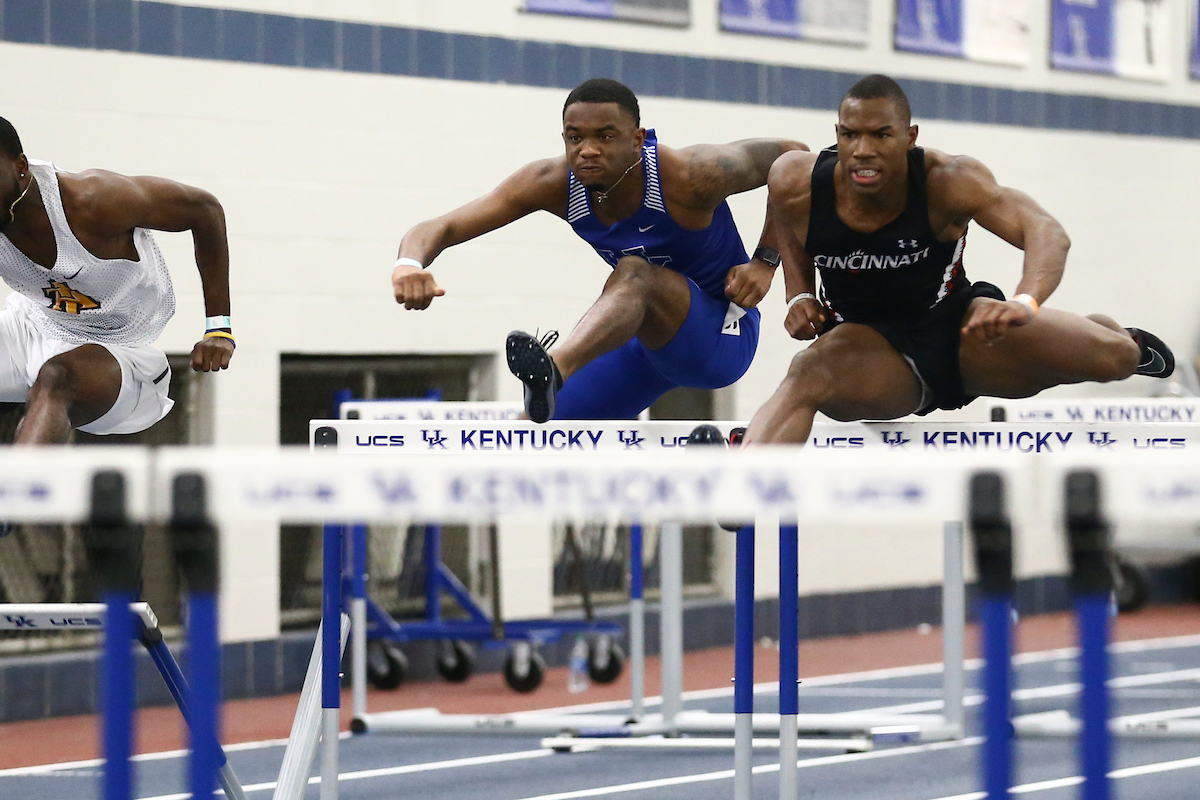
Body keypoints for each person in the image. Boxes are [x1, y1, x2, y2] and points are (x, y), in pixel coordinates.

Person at [743, 74, 1173, 444]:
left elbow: (1046, 232)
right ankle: (740, 485)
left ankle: (1117, 338)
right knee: (807, 374)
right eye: (850, 135)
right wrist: (799, 295)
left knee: (1112, 359)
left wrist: (1025, 302)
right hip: (867, 348)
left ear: (909, 137)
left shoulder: (948, 181)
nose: (863, 151)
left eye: (881, 135)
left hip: (961, 331)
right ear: (837, 133)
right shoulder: (795, 180)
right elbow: (789, 224)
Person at [392, 78, 807, 421]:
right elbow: (440, 226)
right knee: (528, 437)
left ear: (636, 139)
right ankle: (552, 385)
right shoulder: (551, 182)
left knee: (636, 273)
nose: (587, 150)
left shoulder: (691, 174)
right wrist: (409, 264)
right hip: (643, 346)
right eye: (575, 138)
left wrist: (766, 261)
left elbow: (795, 158)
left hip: (722, 336)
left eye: (604, 137)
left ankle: (555, 367)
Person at [0, 116, 234, 446]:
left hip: (123, 351)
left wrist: (219, 328)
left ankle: (21, 492)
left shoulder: (93, 201)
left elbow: (204, 209)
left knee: (56, 377)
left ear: (20, 166)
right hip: (35, 325)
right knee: (47, 374)